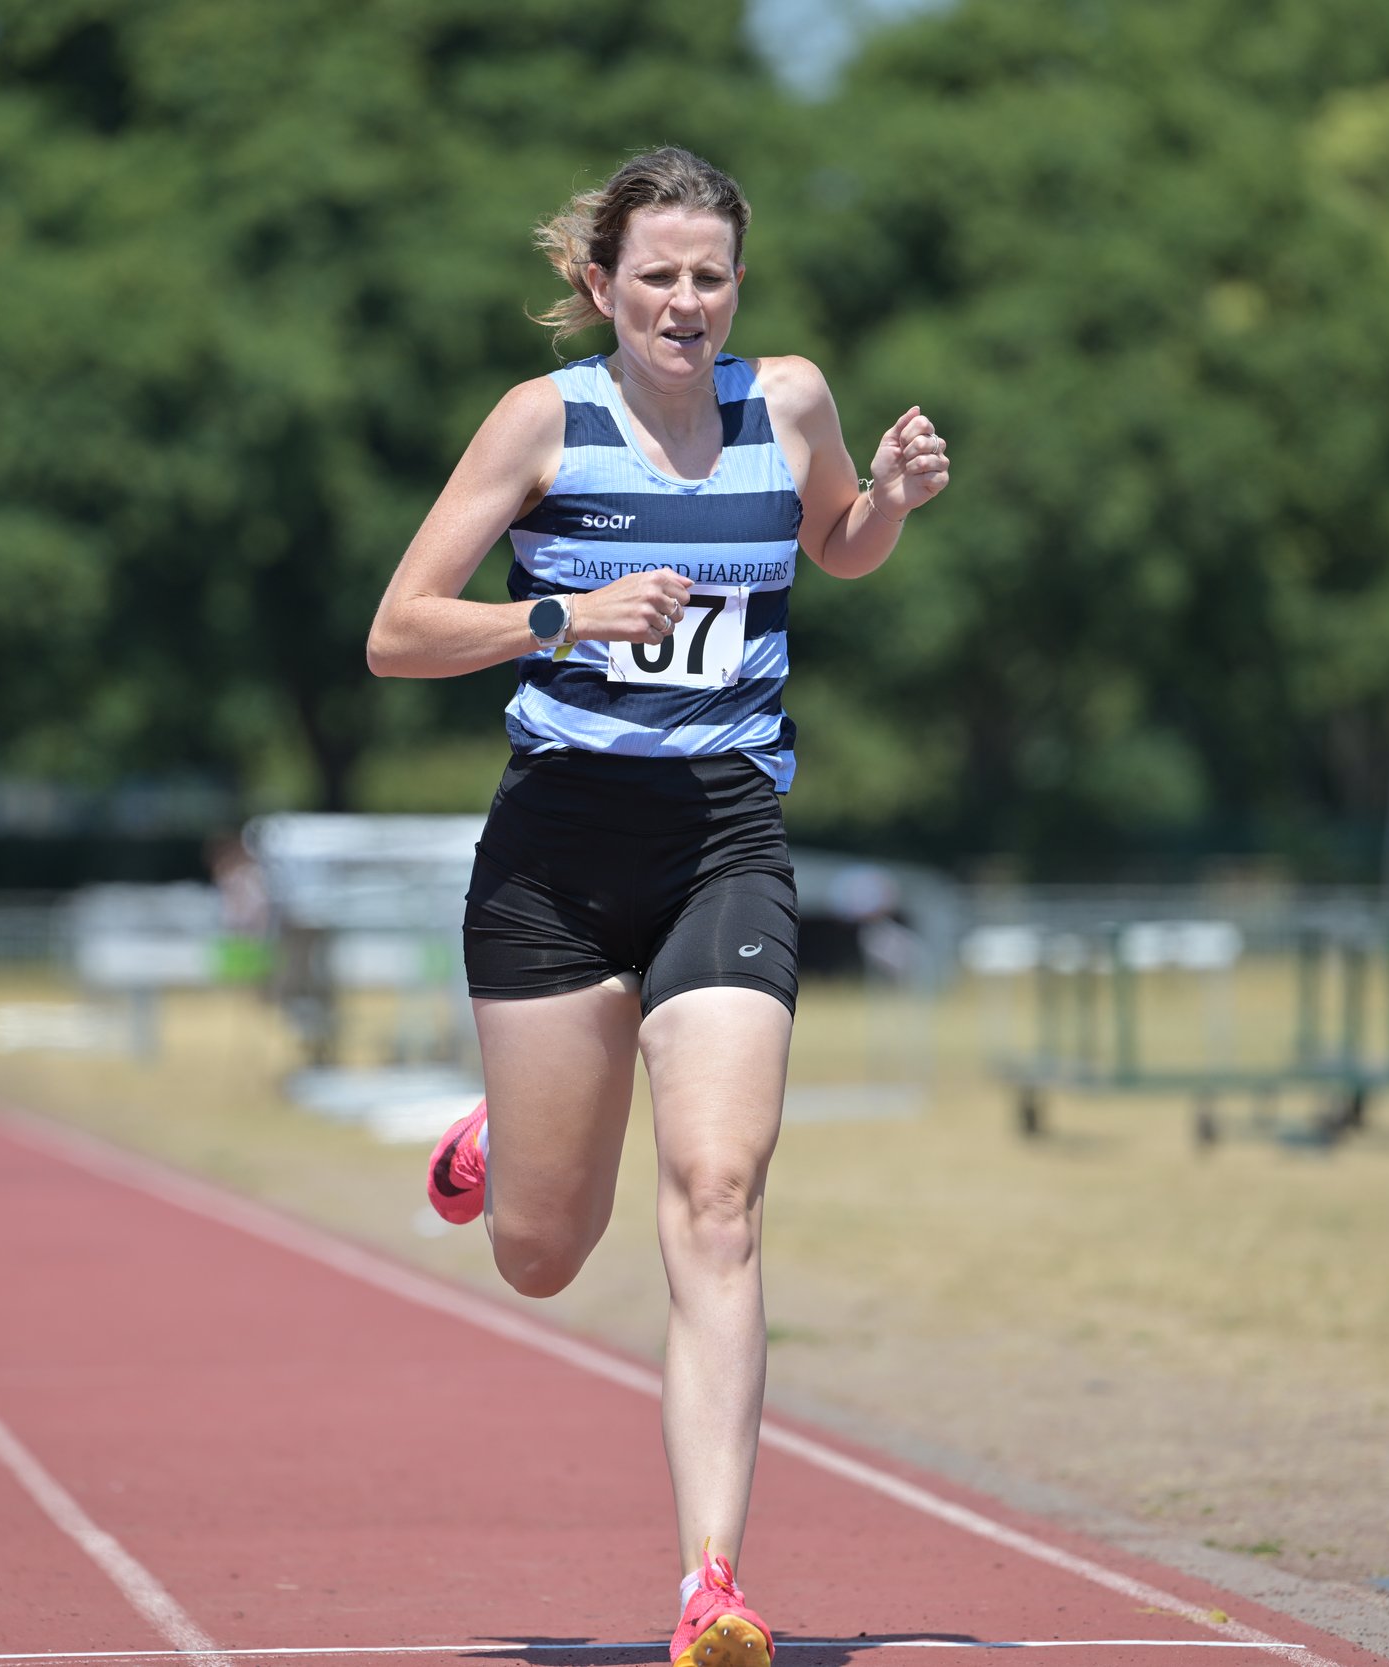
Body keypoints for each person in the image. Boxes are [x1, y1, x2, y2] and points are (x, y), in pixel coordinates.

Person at [364, 148, 949, 1667]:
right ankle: (509, 1138)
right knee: (543, 1250)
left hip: (725, 840)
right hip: (556, 856)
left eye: (710, 276)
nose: (686, 303)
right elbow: (397, 633)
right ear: (600, 285)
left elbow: (835, 545)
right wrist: (563, 613)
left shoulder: (790, 401)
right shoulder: (542, 421)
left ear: (738, 284)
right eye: (657, 277)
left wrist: (885, 501)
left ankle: (712, 1581)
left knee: (719, 1192)